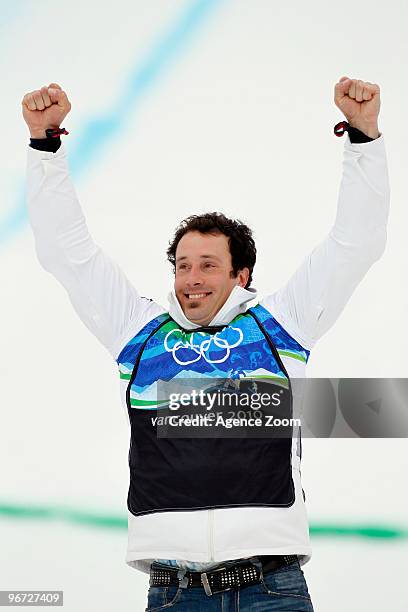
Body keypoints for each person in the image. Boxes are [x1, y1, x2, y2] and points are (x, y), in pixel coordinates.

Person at [22, 76, 389, 611]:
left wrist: (363, 137)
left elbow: (355, 243)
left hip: (274, 590)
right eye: (183, 265)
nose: (191, 277)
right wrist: (45, 145)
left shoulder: (281, 324)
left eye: (208, 265)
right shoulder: (137, 331)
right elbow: (67, 252)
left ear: (241, 275)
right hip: (174, 594)